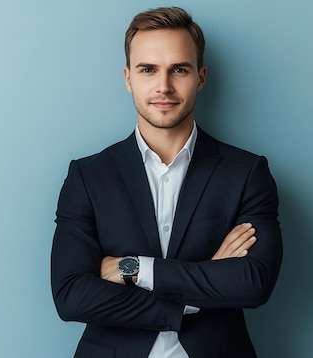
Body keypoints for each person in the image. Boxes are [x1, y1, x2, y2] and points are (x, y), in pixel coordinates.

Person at [50, 6, 282, 358]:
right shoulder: (88, 176)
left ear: (201, 77)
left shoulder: (247, 173)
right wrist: (199, 289)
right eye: (148, 69)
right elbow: (71, 296)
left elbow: (252, 284)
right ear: (128, 78)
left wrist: (135, 268)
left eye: (179, 69)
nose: (164, 86)